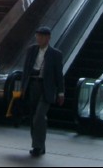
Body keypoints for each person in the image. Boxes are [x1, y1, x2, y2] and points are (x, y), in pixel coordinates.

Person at [21, 26, 64, 157]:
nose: (38, 39)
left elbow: (59, 74)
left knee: (39, 116)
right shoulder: (31, 50)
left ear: (48, 38)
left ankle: (37, 146)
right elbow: (26, 69)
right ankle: (40, 145)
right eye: (37, 36)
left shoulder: (56, 54)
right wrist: (23, 87)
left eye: (41, 36)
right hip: (32, 85)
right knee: (34, 116)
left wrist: (61, 92)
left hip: (46, 87)